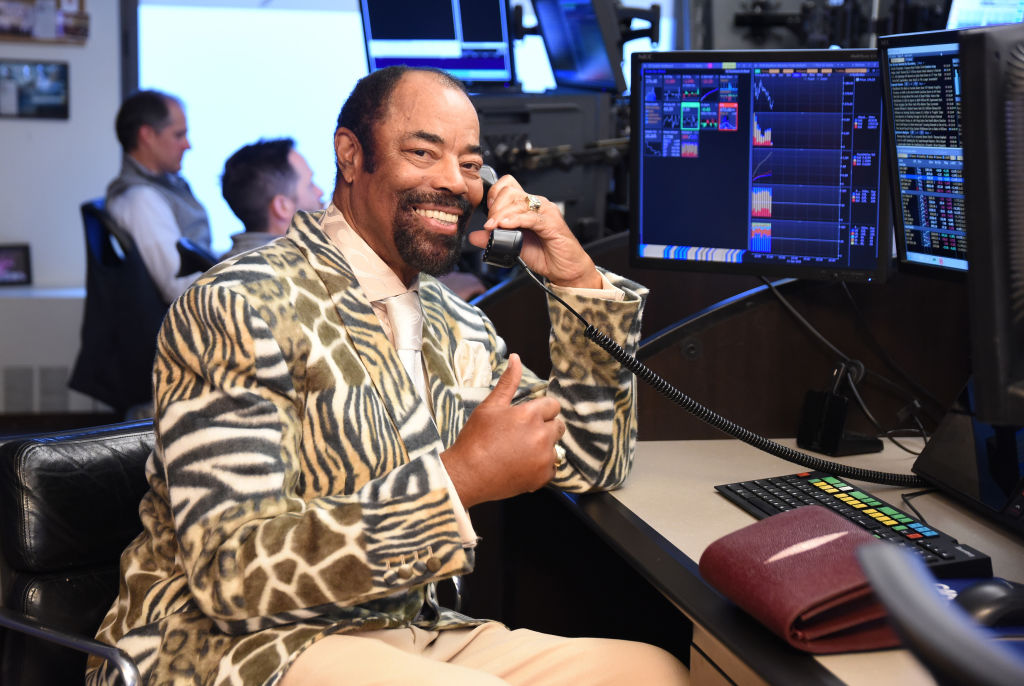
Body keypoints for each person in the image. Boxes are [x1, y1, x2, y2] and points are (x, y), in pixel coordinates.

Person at [86, 66, 687, 686]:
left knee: (653, 672)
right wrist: (461, 479)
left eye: (471, 163)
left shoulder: (455, 322)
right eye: (423, 153)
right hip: (229, 646)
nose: (454, 181)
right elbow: (231, 575)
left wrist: (577, 281)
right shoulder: (238, 304)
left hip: (399, 630)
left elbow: (590, 458)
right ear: (351, 155)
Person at [106, 89, 212, 304]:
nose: (187, 145)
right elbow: (179, 287)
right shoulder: (141, 201)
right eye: (178, 135)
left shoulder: (161, 188)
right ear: (147, 136)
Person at [220, 137, 325, 260]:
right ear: (282, 207)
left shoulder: (220, 271)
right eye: (310, 185)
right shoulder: (297, 274)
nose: (320, 192)